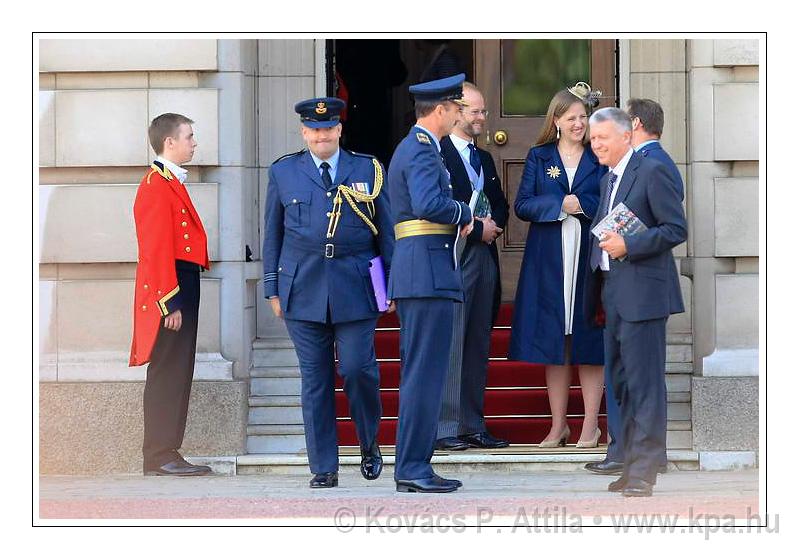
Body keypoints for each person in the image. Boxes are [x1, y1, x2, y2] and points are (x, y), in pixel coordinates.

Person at [262, 97, 394, 489]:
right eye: (314, 130)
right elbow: (272, 233)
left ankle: (369, 443)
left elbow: (387, 230)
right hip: (301, 287)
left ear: (339, 130)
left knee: (357, 370)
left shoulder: (367, 168)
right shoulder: (284, 171)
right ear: (304, 133)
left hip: (356, 283)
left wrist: (392, 283)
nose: (322, 135)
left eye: (328, 128)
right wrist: (272, 287)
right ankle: (324, 465)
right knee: (315, 379)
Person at [585, 107, 686, 497]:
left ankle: (645, 470)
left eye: (602, 138)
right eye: (593, 140)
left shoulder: (651, 169)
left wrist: (630, 244)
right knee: (623, 384)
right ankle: (629, 465)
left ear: (627, 135)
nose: (596, 146)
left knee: (644, 385)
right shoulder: (610, 178)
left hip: (644, 294)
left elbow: (675, 228)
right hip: (614, 293)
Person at [387, 73, 474, 493]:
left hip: (423, 271)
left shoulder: (420, 148)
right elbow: (428, 204)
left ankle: (413, 464)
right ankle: (413, 466)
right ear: (440, 110)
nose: (459, 115)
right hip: (427, 272)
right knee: (424, 375)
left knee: (423, 373)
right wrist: (463, 212)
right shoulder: (421, 151)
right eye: (457, 109)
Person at [508, 82, 606, 449]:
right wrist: (557, 207)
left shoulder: (598, 156)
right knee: (556, 340)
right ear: (557, 120)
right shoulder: (539, 156)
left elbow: (609, 197)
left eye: (583, 117)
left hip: (588, 255)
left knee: (589, 339)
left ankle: (590, 426)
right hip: (549, 257)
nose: (579, 124)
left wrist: (580, 204)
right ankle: (558, 425)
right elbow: (523, 204)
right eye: (572, 117)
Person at [130, 113, 212, 476]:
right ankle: (159, 454)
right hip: (172, 287)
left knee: (179, 370)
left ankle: (168, 451)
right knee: (168, 370)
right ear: (170, 143)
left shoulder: (169, 181)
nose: (194, 143)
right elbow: (155, 248)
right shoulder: (155, 185)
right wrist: (169, 301)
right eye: (189, 137)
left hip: (182, 280)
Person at [435, 82, 510, 451]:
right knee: (452, 343)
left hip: (484, 258)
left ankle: (472, 423)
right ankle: (446, 427)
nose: (483, 118)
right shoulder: (436, 153)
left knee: (478, 343)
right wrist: (475, 226)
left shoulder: (484, 159)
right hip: (453, 257)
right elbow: (430, 207)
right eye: (476, 111)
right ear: (456, 112)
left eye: (483, 111)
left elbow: (501, 206)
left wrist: (492, 225)